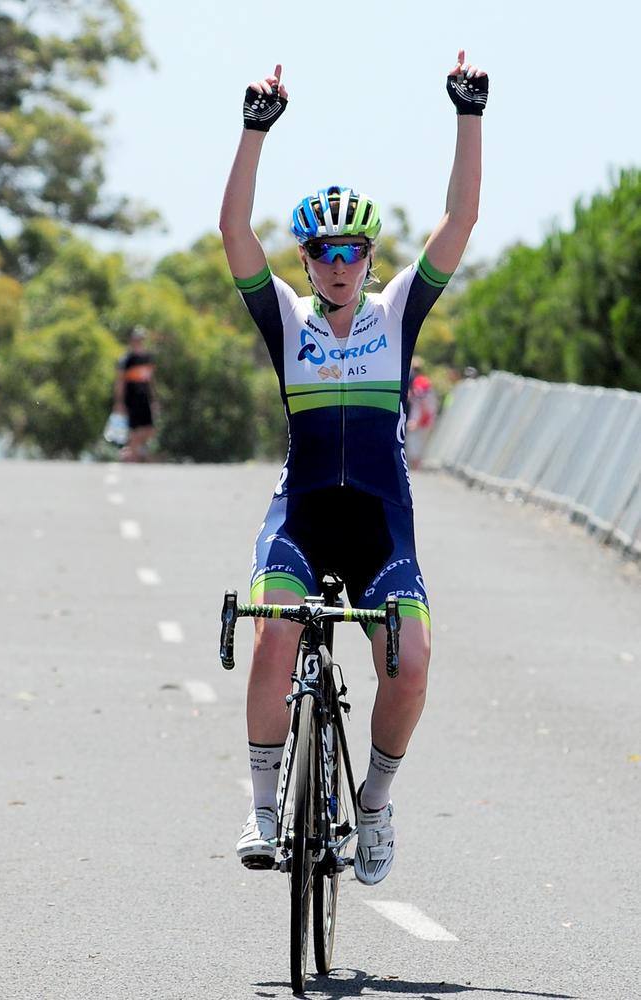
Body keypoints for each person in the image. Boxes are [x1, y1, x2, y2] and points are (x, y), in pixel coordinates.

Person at [220, 52, 488, 884]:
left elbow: (462, 220)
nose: (338, 265)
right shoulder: (288, 321)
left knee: (410, 661)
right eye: (323, 252)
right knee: (274, 640)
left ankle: (372, 804)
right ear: (306, 262)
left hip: (380, 526)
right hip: (300, 519)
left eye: (352, 251)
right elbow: (234, 234)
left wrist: (468, 115)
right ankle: (265, 811)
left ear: (370, 258)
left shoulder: (397, 311)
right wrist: (253, 131)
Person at [113, 326, 158, 462]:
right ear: (131, 340)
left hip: (144, 398)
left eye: (141, 339)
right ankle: (132, 457)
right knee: (134, 429)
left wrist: (154, 399)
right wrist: (119, 402)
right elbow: (120, 381)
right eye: (136, 339)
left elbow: (150, 380)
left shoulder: (147, 358)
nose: (139, 342)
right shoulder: (126, 359)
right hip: (131, 398)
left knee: (149, 429)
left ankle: (129, 451)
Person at [406, 358, 439, 469]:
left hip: (420, 418)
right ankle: (417, 464)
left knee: (414, 440)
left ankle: (416, 465)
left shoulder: (419, 382)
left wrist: (419, 420)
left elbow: (422, 402)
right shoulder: (426, 381)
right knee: (420, 441)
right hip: (428, 417)